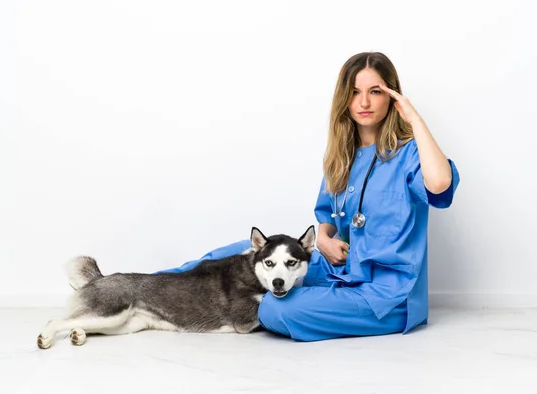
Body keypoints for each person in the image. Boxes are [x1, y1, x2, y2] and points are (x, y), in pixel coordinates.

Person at [159, 52, 460, 341]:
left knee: (280, 308)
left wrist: (414, 120)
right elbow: (328, 218)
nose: (364, 102)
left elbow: (440, 183)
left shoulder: (409, 154)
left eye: (376, 92)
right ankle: (149, 286)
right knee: (243, 252)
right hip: (338, 271)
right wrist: (325, 238)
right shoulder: (343, 156)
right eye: (355, 92)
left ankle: (268, 305)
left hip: (385, 296)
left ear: (393, 96)